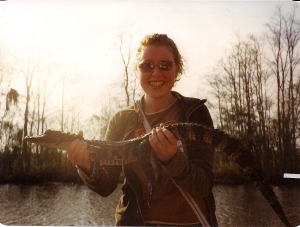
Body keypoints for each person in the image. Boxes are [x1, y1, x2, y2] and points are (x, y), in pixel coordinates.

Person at [67, 34, 218, 227]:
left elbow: (203, 185)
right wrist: (86, 166)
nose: (155, 73)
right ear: (137, 71)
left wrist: (173, 159)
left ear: (177, 69)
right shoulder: (121, 120)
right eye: (147, 66)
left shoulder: (195, 112)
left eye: (164, 65)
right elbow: (105, 186)